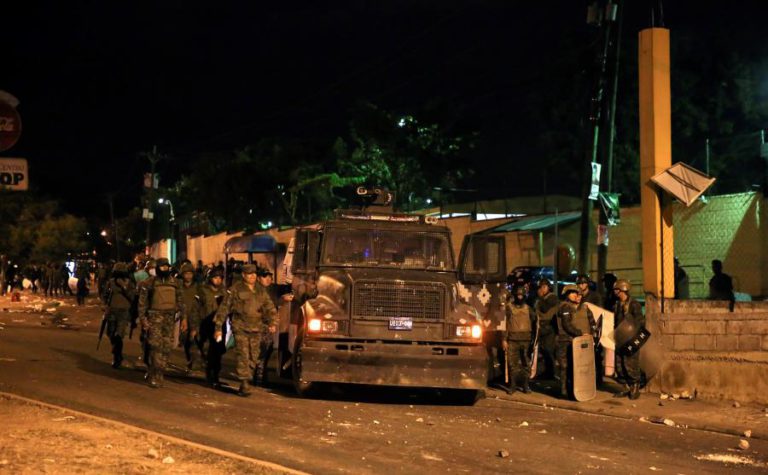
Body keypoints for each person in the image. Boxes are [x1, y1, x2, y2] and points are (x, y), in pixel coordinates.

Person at [214, 264, 278, 397]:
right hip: (240, 327)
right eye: (249, 274)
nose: (253, 276)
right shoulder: (235, 289)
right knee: (243, 355)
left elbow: (269, 307)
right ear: (243, 275)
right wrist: (218, 328)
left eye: (254, 274)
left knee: (253, 356)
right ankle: (244, 383)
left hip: (256, 328)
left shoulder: (260, 290)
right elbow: (224, 308)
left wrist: (272, 322)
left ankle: (247, 377)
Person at [138, 257, 186, 388]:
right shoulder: (149, 283)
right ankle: (155, 373)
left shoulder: (175, 283)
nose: (165, 269)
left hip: (170, 319)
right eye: (162, 266)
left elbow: (181, 301)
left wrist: (184, 318)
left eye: (166, 267)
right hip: (154, 318)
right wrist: (143, 320)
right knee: (155, 346)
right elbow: (142, 303)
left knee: (167, 347)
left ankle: (159, 371)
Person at [555, 285, 595, 398]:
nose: (575, 295)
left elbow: (592, 322)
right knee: (565, 367)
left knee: (574, 367)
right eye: (572, 293)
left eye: (576, 293)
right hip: (564, 341)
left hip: (572, 341)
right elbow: (567, 325)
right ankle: (564, 391)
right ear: (566, 294)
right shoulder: (565, 307)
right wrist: (581, 333)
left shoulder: (577, 307)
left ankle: (572, 391)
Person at [612, 279, 644, 400]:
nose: (615, 291)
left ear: (623, 289)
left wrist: (632, 333)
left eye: (617, 289)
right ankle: (625, 387)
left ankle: (634, 386)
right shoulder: (617, 304)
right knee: (619, 364)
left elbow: (640, 321)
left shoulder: (633, 304)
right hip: (619, 338)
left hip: (631, 338)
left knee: (630, 363)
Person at [503, 285, 537, 394]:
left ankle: (525, 385)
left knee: (526, 364)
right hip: (512, 339)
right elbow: (505, 324)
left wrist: (534, 341)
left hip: (526, 340)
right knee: (512, 364)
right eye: (518, 295)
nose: (520, 297)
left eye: (521, 295)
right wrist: (504, 339)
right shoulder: (509, 308)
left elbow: (535, 324)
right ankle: (513, 385)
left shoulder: (528, 308)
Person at [103, 262, 137, 369]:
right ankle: (117, 352)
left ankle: (117, 356)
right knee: (110, 333)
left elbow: (133, 296)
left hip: (124, 311)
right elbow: (105, 295)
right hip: (112, 310)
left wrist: (124, 287)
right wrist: (105, 305)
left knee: (119, 335)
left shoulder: (129, 283)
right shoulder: (111, 282)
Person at [198, 266, 227, 387]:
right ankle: (209, 374)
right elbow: (196, 308)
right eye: (215, 277)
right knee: (209, 350)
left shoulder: (224, 291)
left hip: (219, 325)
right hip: (206, 324)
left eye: (220, 277)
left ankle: (215, 375)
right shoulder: (202, 290)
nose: (218, 280)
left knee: (218, 350)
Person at [179, 263, 203, 373]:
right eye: (186, 274)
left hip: (196, 318)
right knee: (186, 341)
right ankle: (190, 360)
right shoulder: (179, 287)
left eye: (190, 273)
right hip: (182, 317)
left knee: (195, 340)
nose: (188, 276)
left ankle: (195, 362)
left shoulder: (198, 287)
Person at [533, 279, 559, 380]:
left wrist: (540, 298)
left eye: (544, 287)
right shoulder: (542, 298)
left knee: (549, 351)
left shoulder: (552, 297)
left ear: (549, 287)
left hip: (549, 328)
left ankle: (551, 373)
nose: (542, 289)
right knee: (543, 350)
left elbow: (545, 309)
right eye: (540, 287)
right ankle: (546, 372)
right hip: (542, 327)